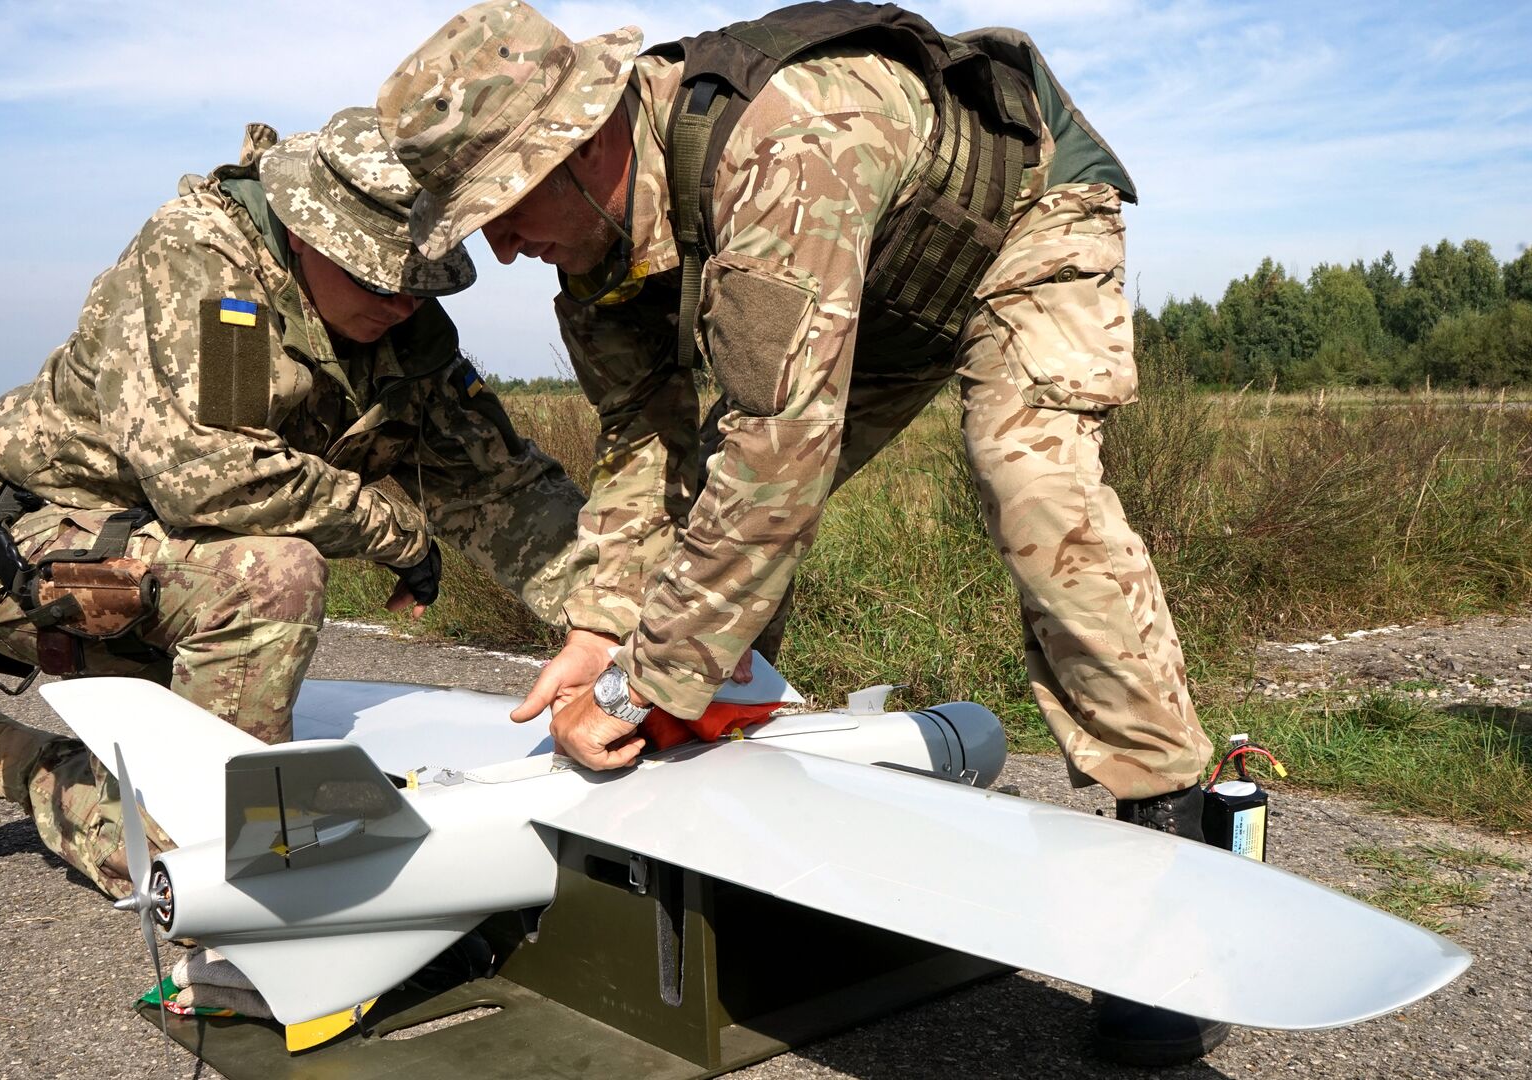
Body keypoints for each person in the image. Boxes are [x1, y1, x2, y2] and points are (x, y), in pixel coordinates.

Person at [376, 1, 1221, 1064]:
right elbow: (648, 444)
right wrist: (599, 631)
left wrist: (647, 686)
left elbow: (778, 462)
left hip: (1019, 225)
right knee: (700, 528)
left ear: (584, 141)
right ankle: (726, 806)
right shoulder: (594, 264)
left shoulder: (783, 145)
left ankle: (1175, 865)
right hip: (875, 285)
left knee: (1034, 487)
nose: (500, 244)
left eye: (505, 202)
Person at [0, 107, 588, 903]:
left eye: (420, 281)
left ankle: (205, 811)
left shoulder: (399, 329)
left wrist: (634, 633)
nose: (402, 302)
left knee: (271, 734)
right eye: (379, 276)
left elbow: (508, 490)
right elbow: (214, 477)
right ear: (303, 233)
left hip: (163, 575)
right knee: (268, 599)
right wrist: (397, 532)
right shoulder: (202, 261)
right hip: (21, 560)